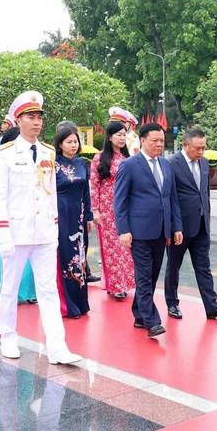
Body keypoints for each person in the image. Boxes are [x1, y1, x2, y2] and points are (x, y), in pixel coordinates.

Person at [0, 90, 81, 364]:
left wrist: (54, 230)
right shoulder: (4, 154)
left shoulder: (48, 153)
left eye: (39, 117)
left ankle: (57, 347)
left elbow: (50, 193)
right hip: (15, 233)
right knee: (10, 288)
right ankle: (7, 336)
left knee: (49, 290)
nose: (37, 122)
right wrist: (3, 236)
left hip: (43, 232)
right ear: (18, 120)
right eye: (31, 117)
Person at [114, 123, 183, 338]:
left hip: (162, 231)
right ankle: (152, 321)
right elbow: (120, 200)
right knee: (143, 275)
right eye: (154, 140)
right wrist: (123, 230)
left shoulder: (166, 165)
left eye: (162, 141)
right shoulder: (130, 165)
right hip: (139, 231)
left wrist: (176, 227)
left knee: (152, 276)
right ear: (142, 140)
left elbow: (172, 198)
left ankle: (139, 314)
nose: (159, 144)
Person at [164, 128, 217, 320]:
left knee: (204, 267)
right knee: (173, 267)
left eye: (204, 147)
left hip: (202, 225)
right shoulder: (171, 163)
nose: (202, 152)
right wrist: (173, 226)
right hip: (179, 228)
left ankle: (211, 306)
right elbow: (168, 198)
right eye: (198, 148)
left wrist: (208, 218)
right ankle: (172, 304)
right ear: (185, 145)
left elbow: (205, 193)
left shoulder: (204, 162)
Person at [0, 127, 37, 305]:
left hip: (28, 216)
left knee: (28, 260)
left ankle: (26, 292)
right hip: (7, 217)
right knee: (5, 258)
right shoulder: (0, 161)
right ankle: (2, 293)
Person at [90, 122, 135, 300]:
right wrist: (95, 210)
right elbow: (94, 185)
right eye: (118, 135)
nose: (122, 138)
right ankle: (114, 286)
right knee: (111, 250)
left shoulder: (128, 159)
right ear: (109, 137)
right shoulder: (99, 158)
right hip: (107, 210)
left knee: (126, 248)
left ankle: (125, 283)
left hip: (126, 209)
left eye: (124, 135)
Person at [54, 125, 93, 318]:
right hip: (61, 216)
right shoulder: (52, 165)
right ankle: (67, 306)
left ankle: (80, 303)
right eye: (69, 142)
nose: (73, 145)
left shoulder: (81, 164)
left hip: (79, 216)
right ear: (60, 144)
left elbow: (86, 191)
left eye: (75, 141)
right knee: (66, 258)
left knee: (81, 258)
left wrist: (89, 217)